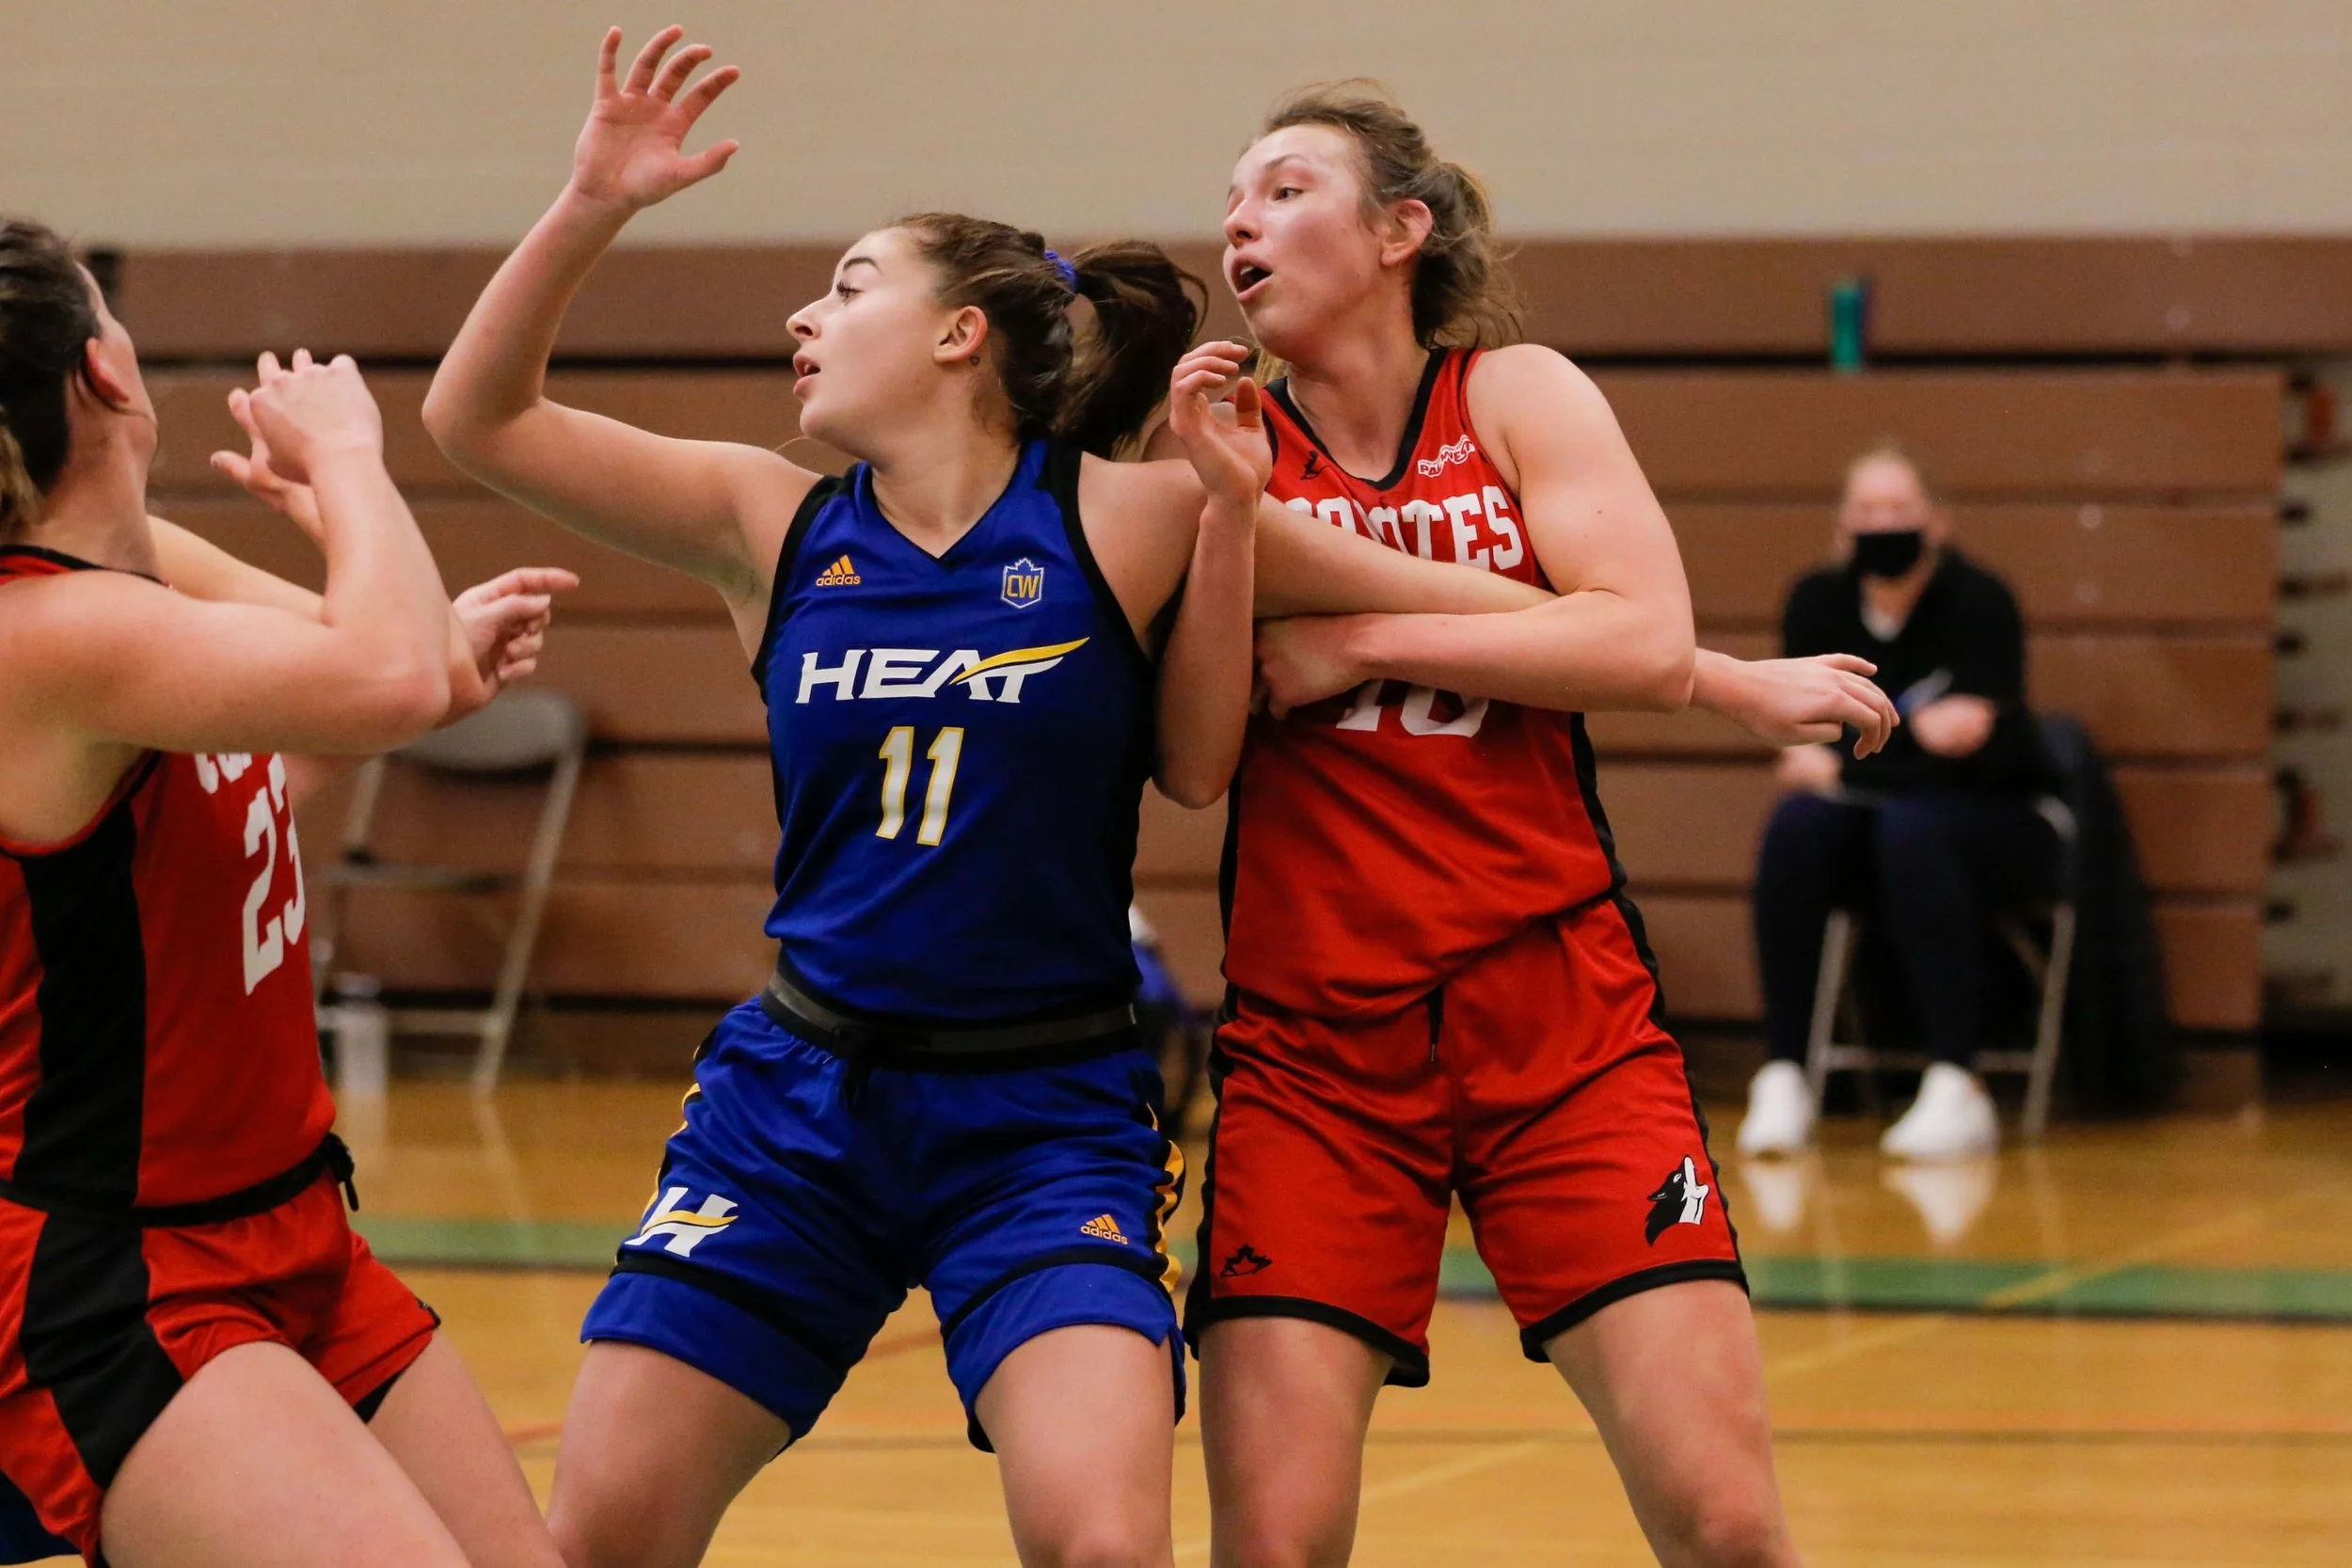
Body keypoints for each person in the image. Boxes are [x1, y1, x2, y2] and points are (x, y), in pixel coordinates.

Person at [421, 29, 1575, 1568]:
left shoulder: (1139, 511)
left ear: (962, 335)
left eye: (846, 286)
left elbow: (1471, 603)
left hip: (1043, 1121)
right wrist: (589, 202)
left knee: (1104, 1549)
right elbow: (475, 421)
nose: (802, 316)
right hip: (797, 1108)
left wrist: (1710, 670)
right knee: (600, 1543)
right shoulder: (771, 522)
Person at [1166, 85, 1899, 1568]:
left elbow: (1633, 644)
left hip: (1559, 1015)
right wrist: (1233, 520)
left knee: (1729, 1522)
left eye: (1288, 188)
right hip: (1317, 1049)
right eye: (1232, 199)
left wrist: (1367, 641)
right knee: (1278, 1546)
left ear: (1399, 230)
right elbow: (1197, 756)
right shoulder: (1222, 454)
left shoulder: (1515, 393)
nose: (1242, 219)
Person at [0, 218, 576, 1568]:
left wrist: (352, 540)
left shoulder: (139, 576)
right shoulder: (51, 629)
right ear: (106, 374)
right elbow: (387, 676)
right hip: (119, 1265)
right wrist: (352, 459)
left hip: (293, 1222)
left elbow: (402, 675)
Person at [1737, 443, 2062, 1163]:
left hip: (1998, 818)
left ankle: (1957, 1080)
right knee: (1796, 825)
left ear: (1938, 523)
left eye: (1899, 509)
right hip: (1884, 822)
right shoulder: (1816, 602)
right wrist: (1916, 739)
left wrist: (1855, 760)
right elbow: (1803, 751)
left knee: (1914, 828)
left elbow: (1971, 747)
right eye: (1866, 511)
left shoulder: (1982, 601)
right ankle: (1786, 1069)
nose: (1883, 524)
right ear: (1840, 529)